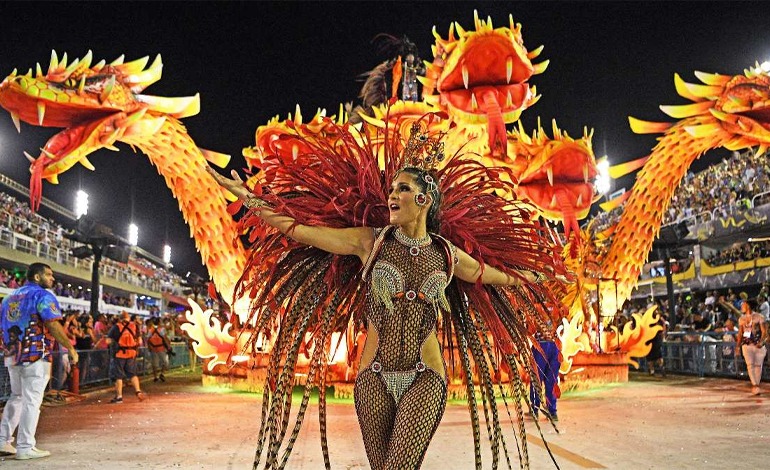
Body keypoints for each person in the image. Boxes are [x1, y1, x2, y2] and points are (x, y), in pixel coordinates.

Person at [207, 119, 566, 469]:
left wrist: (535, 275)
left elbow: (492, 276)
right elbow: (301, 231)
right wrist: (249, 198)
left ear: (424, 200)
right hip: (372, 379)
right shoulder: (370, 241)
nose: (392, 195)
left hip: (425, 376)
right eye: (392, 189)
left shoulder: (445, 253)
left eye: (402, 190)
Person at [0, 262, 78, 460]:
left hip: (13, 354)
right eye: (49, 275)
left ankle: (3, 440)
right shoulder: (42, 296)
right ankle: (25, 446)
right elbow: (52, 324)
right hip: (36, 354)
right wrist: (69, 347)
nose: (52, 279)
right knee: (32, 401)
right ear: (37, 277)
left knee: (16, 396)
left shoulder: (8, 298)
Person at [105, 311, 147, 403]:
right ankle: (138, 391)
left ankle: (119, 397)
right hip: (132, 353)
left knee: (118, 376)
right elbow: (139, 341)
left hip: (119, 354)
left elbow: (107, 341)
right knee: (133, 374)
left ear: (120, 318)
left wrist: (114, 343)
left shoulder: (116, 327)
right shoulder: (135, 326)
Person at [736, 299, 768, 395]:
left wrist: (762, 342)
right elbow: (740, 333)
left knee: (758, 366)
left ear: (748, 306)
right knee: (750, 365)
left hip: (758, 344)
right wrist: (737, 346)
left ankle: (756, 385)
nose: (742, 306)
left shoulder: (759, 317)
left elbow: (764, 332)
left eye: (743, 305)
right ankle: (755, 385)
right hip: (746, 344)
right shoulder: (741, 319)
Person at [529, 333, 562, 422]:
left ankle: (550, 411)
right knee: (537, 378)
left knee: (550, 379)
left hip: (552, 344)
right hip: (542, 344)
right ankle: (536, 410)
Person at [146, 318, 171, 382]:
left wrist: (149, 347)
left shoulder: (150, 330)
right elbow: (165, 338)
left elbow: (148, 340)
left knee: (155, 364)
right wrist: (168, 346)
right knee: (165, 362)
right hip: (161, 348)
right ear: (159, 322)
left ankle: (156, 376)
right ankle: (161, 374)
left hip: (154, 349)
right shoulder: (162, 330)